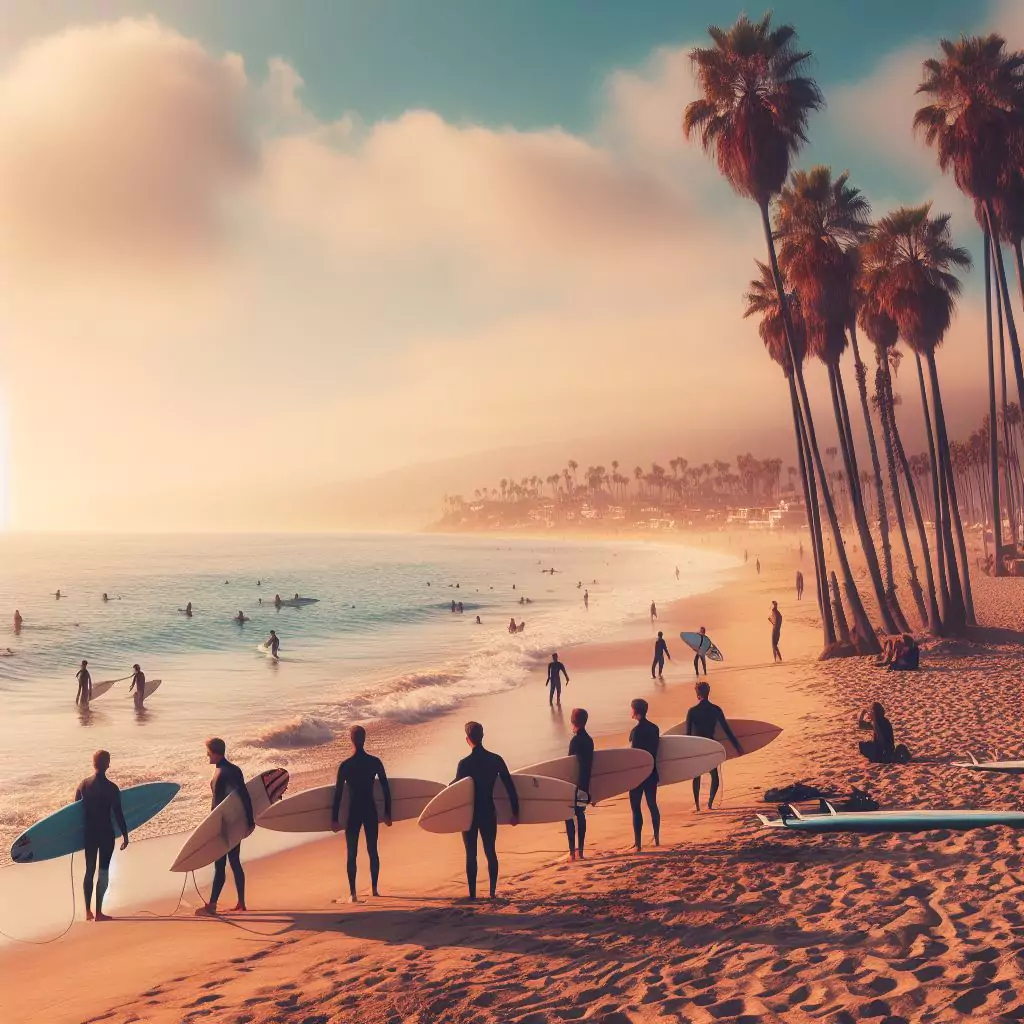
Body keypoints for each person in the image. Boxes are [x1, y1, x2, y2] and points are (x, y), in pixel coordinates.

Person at [454, 721, 518, 900]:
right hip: (488, 811)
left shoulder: (464, 764)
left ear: (467, 739)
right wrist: (515, 811)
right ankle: (491, 892)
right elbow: (509, 785)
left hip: (470, 815)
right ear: (482, 736)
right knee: (490, 850)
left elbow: (456, 789)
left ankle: (473, 894)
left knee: (471, 853)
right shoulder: (495, 760)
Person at [331, 725, 392, 902]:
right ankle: (374, 889)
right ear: (364, 739)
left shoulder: (346, 766)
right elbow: (386, 788)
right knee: (373, 850)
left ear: (351, 740)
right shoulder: (375, 762)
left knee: (352, 853)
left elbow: (338, 794)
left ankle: (353, 893)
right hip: (370, 810)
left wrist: (334, 818)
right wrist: (388, 813)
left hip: (353, 812)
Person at [195, 738, 254, 916]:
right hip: (231, 822)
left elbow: (242, 796)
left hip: (223, 825)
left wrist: (250, 821)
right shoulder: (230, 769)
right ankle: (241, 903)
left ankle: (212, 905)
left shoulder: (224, 772)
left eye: (208, 751)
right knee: (234, 862)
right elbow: (242, 796)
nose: (206, 755)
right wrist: (248, 820)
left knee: (220, 864)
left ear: (214, 752)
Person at [75, 750, 129, 921]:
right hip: (106, 834)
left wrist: (72, 838)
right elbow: (118, 814)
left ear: (93, 763)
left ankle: (87, 912)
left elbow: (74, 812)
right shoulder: (112, 788)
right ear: (107, 764)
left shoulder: (83, 785)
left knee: (89, 871)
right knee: (103, 872)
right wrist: (125, 835)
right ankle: (99, 913)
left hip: (90, 834)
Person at [685, 681, 742, 810]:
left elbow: (687, 735)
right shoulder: (716, 710)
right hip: (711, 745)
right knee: (714, 775)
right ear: (708, 693)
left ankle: (698, 806)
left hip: (698, 746)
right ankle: (710, 803)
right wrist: (737, 746)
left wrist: (687, 754)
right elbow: (727, 730)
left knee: (696, 776)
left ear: (697, 694)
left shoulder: (692, 711)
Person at [628, 699, 660, 850]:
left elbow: (635, 756)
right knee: (652, 804)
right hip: (652, 772)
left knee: (636, 807)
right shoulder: (655, 728)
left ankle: (638, 843)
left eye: (631, 709)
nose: (631, 711)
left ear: (636, 711)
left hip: (638, 775)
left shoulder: (635, 732)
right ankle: (657, 838)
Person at [565, 708, 593, 861]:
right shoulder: (589, 740)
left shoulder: (575, 741)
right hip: (585, 782)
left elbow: (570, 765)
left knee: (568, 815)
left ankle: (571, 852)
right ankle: (580, 851)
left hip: (574, 784)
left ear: (572, 721)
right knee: (580, 814)